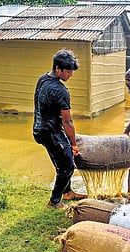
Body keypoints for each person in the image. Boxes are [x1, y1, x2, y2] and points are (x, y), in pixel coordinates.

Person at [33, 49, 87, 209]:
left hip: (39, 129)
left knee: (62, 160)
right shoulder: (60, 91)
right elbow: (68, 122)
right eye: (68, 71)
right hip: (51, 133)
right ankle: (55, 201)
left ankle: (68, 192)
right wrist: (74, 144)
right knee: (67, 166)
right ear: (58, 69)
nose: (71, 75)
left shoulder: (43, 79)